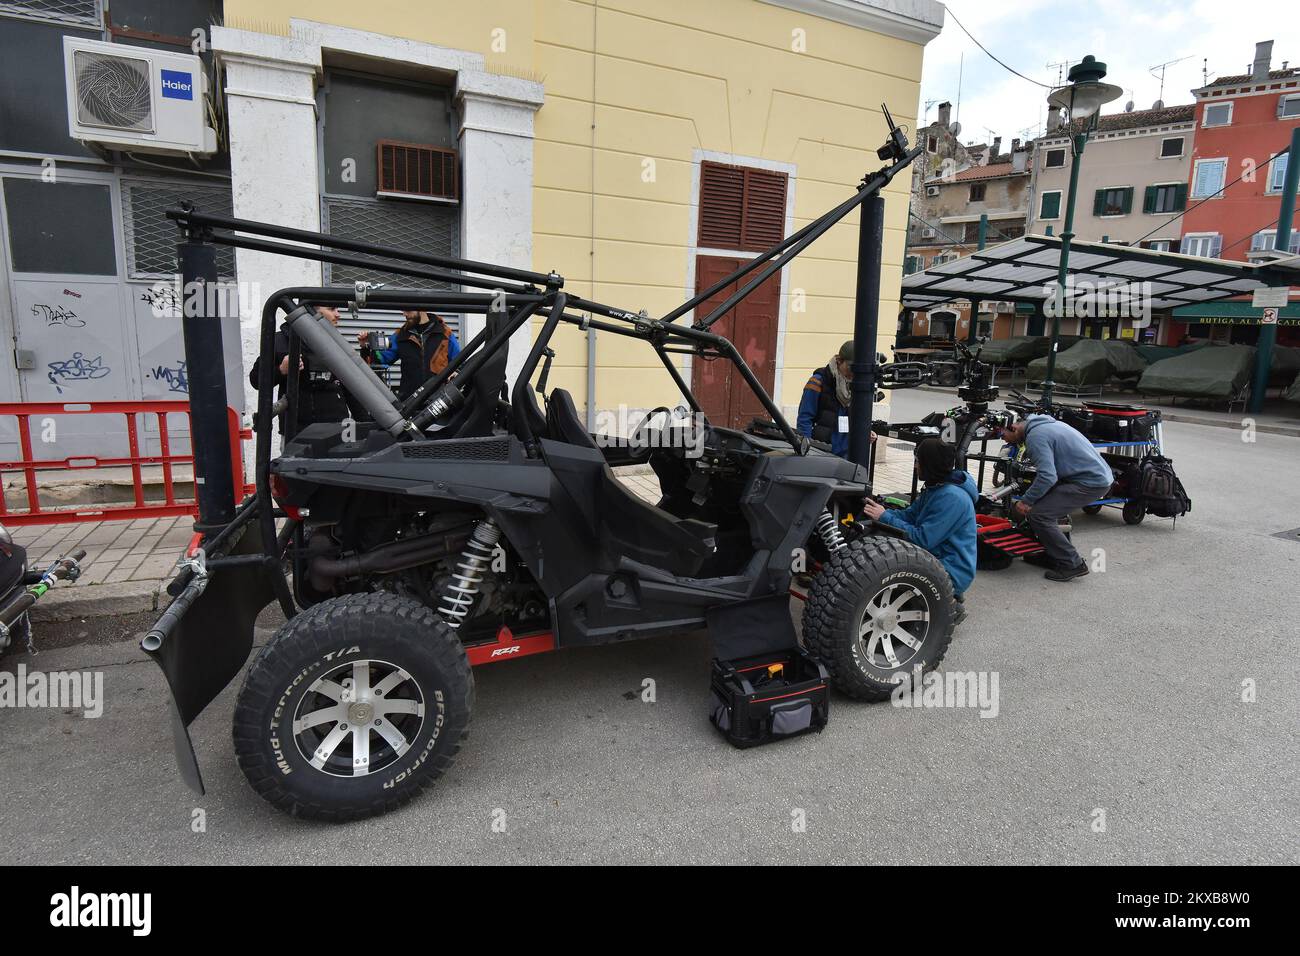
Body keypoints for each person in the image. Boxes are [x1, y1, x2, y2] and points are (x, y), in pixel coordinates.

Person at [862, 438, 977, 617]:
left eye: (918, 461)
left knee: (881, 576)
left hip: (951, 568)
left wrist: (884, 517)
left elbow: (922, 539)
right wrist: (882, 513)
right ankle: (948, 598)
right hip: (937, 556)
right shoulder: (937, 486)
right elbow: (910, 515)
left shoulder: (952, 498)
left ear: (930, 464)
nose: (915, 466)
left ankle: (950, 604)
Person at [997, 414, 1114, 582]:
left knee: (1040, 515)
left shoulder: (1035, 437)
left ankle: (1072, 564)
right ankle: (1052, 555)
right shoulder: (1044, 424)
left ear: (1014, 428)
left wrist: (1026, 501)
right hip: (1092, 476)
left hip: (1089, 483)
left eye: (1004, 436)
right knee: (1046, 507)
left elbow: (1047, 476)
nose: (1004, 440)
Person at [249, 304, 362, 440]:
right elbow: (256, 380)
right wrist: (281, 370)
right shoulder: (280, 342)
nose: (338, 314)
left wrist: (366, 427)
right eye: (332, 309)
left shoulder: (336, 343)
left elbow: (352, 389)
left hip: (338, 431)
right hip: (296, 433)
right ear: (312, 312)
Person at [797, 339, 877, 458]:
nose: (854, 373)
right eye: (851, 367)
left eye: (857, 369)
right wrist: (806, 448)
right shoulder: (818, 381)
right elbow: (805, 418)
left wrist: (865, 432)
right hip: (821, 451)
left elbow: (856, 417)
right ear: (839, 361)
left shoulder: (857, 385)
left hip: (847, 452)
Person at [360, 311, 460, 401]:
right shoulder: (401, 335)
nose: (404, 314)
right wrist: (365, 346)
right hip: (409, 403)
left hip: (439, 402)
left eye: (407, 310)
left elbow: (459, 363)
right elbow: (379, 360)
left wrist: (456, 373)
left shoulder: (445, 333)